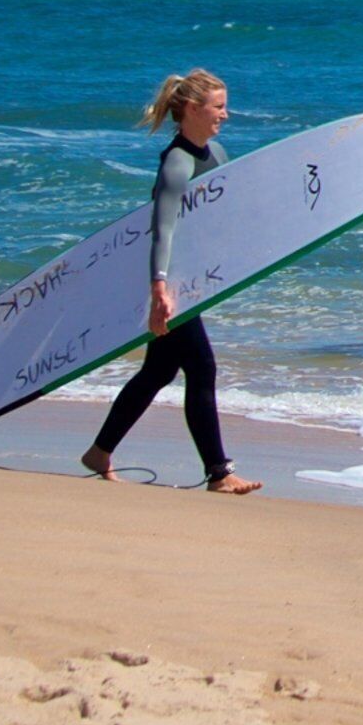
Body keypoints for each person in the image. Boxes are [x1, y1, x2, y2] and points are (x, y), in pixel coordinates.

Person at [80, 70, 263, 494]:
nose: (226, 114)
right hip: (171, 285)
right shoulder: (177, 163)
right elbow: (162, 230)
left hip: (193, 281)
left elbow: (233, 205)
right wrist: (159, 290)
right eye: (218, 107)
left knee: (158, 371)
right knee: (202, 368)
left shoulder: (216, 152)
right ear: (194, 110)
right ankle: (218, 472)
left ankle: (100, 451)